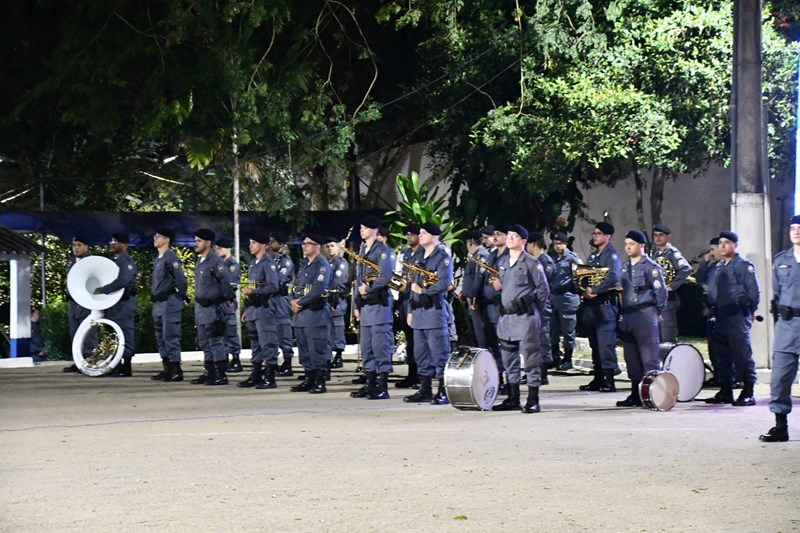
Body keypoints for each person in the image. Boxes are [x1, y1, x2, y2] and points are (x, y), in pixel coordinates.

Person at [490, 225, 550, 413]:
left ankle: (533, 399)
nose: (510, 239)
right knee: (509, 359)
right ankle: (513, 397)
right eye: (508, 235)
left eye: (514, 236)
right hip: (506, 317)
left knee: (530, 358)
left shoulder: (531, 262)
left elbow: (543, 290)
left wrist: (535, 310)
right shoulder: (503, 262)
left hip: (525, 317)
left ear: (523, 241)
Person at [704, 231, 760, 406]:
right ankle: (726, 390)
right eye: (720, 242)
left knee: (741, 354)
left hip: (736, 315)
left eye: (727, 242)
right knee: (722, 356)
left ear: (735, 245)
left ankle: (748, 391)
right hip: (720, 315)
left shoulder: (743, 265)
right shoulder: (718, 266)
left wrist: (749, 311)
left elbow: (754, 292)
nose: (722, 245)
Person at [615, 230, 667, 407]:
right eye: (626, 244)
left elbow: (661, 292)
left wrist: (657, 311)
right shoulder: (624, 266)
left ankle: (655, 395)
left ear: (642, 245)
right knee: (631, 357)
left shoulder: (651, 267)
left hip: (645, 314)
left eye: (632, 244)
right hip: (628, 315)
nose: (628, 247)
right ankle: (635, 394)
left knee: (649, 357)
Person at [760, 215, 800, 442]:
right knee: (780, 378)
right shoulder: (781, 260)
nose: (796, 232)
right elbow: (777, 294)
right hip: (787, 324)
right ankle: (780, 425)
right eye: (793, 228)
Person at [403, 222, 453, 404]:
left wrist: (423, 291)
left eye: (424, 232)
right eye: (420, 232)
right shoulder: (419, 257)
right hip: (419, 313)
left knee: (440, 353)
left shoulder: (442, 257)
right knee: (421, 354)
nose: (421, 235)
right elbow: (412, 288)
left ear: (435, 236)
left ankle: (443, 390)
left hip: (434, 311)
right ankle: (425, 389)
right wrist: (410, 310)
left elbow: (443, 283)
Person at [350, 217, 395, 400]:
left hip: (379, 305)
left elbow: (385, 276)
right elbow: (358, 279)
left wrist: (368, 289)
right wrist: (357, 303)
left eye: (365, 227)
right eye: (361, 227)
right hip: (366, 306)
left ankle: (382, 386)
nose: (362, 230)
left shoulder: (382, 250)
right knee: (367, 347)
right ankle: (370, 383)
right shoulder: (363, 250)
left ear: (375, 230)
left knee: (380, 346)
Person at [579, 222, 622, 393]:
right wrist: (584, 290)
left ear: (607, 236)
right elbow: (585, 276)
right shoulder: (593, 256)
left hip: (605, 306)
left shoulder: (612, 256)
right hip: (591, 307)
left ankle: (609, 380)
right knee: (595, 345)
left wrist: (595, 290)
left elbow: (613, 278)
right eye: (594, 233)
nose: (595, 236)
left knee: (606, 345)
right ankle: (598, 378)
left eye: (598, 234)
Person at [189, 229, 236, 386]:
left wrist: (227, 298)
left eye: (199, 241)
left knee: (215, 340)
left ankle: (220, 374)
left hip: (213, 307)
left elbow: (225, 281)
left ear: (208, 243)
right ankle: (209, 372)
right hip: (201, 307)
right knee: (204, 341)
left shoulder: (215, 261)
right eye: (195, 240)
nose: (196, 244)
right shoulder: (201, 261)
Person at [237, 230, 281, 389]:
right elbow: (252, 286)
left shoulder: (268, 263)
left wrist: (254, 292)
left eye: (254, 243)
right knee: (255, 343)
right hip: (254, 308)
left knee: (267, 343)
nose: (250, 246)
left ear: (262, 245)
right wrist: (247, 308)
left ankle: (270, 377)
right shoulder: (253, 263)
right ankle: (256, 374)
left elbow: (273, 286)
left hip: (265, 308)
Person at [290, 233, 332, 394]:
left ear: (317, 247)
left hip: (315, 314)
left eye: (308, 243)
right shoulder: (305, 265)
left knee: (316, 348)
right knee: (304, 348)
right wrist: (292, 300)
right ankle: (309, 378)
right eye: (304, 243)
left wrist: (299, 302)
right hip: (301, 315)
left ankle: (320, 381)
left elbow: (318, 289)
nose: (304, 246)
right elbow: (296, 286)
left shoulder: (322, 265)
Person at [94, 233, 138, 377]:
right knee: (113, 334)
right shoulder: (113, 261)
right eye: (111, 241)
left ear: (124, 245)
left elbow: (122, 281)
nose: (112, 244)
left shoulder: (126, 262)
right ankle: (116, 364)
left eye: (116, 242)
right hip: (113, 305)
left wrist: (102, 290)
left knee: (125, 333)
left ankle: (126, 366)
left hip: (124, 304)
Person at [150, 227, 189, 382]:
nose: (155, 238)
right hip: (158, 302)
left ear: (167, 239)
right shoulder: (158, 259)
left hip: (169, 302)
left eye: (158, 236)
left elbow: (181, 280)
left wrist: (182, 296)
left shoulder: (171, 258)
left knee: (170, 336)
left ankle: (176, 369)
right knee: (160, 337)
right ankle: (167, 368)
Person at [651, 224, 693, 343]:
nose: (658, 238)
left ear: (668, 236)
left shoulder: (672, 253)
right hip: (657, 299)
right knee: (658, 336)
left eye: (661, 235)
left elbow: (686, 269)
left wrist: (672, 286)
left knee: (667, 335)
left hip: (668, 300)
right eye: (655, 235)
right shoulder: (656, 254)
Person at [63, 235, 97, 373]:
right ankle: (78, 361)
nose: (76, 248)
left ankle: (89, 360)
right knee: (75, 332)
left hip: (86, 302)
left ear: (86, 247)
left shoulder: (91, 261)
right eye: (74, 245)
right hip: (73, 302)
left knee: (88, 332)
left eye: (79, 245)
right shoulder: (71, 261)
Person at [394, 224, 423, 389]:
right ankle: (411, 374)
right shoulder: (406, 253)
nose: (408, 237)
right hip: (405, 299)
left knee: (418, 341)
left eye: (411, 234)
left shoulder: (423, 253)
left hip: (417, 301)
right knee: (409, 340)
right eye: (407, 234)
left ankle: (421, 375)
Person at [526, 231, 556, 384]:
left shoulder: (545, 262)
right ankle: (535, 370)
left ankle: (542, 374)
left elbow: (544, 286)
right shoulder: (535, 261)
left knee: (543, 339)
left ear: (533, 244)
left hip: (542, 305)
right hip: (533, 305)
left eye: (527, 244)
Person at [549, 232, 582, 371]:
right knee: (553, 330)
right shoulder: (553, 259)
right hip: (554, 298)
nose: (558, 246)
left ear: (566, 244)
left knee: (568, 331)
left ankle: (568, 359)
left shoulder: (572, 258)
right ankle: (555, 356)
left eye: (561, 244)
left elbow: (582, 274)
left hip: (568, 298)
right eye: (556, 244)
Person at [483, 224, 509, 393]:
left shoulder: (509, 256)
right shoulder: (492, 255)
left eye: (499, 234)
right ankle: (497, 378)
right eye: (494, 234)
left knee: (505, 346)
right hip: (489, 306)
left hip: (502, 306)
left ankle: (508, 381)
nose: (495, 237)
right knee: (492, 345)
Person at [696, 237, 723, 387]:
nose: (711, 253)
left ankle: (729, 376)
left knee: (722, 345)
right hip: (712, 309)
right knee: (713, 345)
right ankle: (718, 375)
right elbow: (699, 279)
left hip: (723, 311)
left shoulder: (726, 266)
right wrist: (704, 264)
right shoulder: (712, 267)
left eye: (713, 249)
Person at [269, 231, 296, 377]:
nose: (270, 243)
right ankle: (272, 363)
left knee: (284, 331)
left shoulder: (286, 261)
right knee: (270, 332)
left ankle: (287, 362)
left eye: (273, 241)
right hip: (269, 299)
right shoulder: (268, 259)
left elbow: (278, 280)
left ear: (280, 244)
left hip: (281, 300)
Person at [214, 238, 243, 373]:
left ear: (227, 249)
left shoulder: (233, 265)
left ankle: (236, 359)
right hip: (217, 302)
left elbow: (229, 283)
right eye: (216, 248)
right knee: (219, 332)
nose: (217, 250)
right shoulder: (216, 263)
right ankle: (223, 359)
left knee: (230, 331)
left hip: (227, 302)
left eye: (220, 248)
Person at [461, 230, 490, 349]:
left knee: (481, 337)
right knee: (475, 336)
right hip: (470, 301)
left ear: (470, 242)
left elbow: (479, 278)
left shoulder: (481, 255)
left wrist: (472, 296)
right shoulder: (475, 256)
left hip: (476, 302)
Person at [325, 236, 350, 370]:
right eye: (328, 246)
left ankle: (339, 355)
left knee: (337, 329)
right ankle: (328, 357)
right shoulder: (326, 263)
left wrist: (332, 297)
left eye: (332, 246)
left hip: (336, 300)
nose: (330, 249)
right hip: (326, 301)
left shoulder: (341, 263)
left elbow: (338, 282)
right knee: (328, 330)